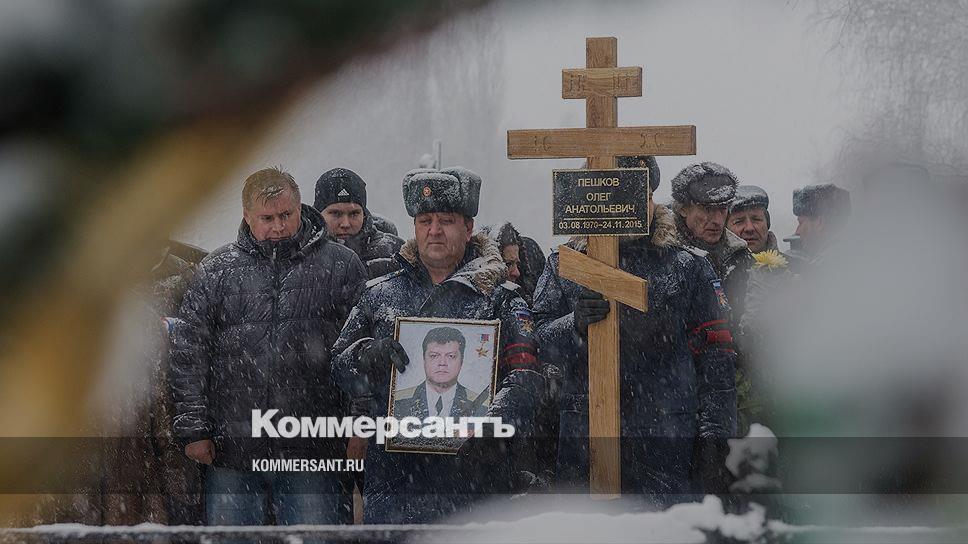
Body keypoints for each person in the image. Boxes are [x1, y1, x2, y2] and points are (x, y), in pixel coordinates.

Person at [332, 166, 547, 524]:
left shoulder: (501, 299)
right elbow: (338, 365)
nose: (433, 230)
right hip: (395, 482)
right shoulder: (380, 294)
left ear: (468, 227)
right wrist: (367, 355)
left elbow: (526, 376)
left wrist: (494, 427)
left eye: (446, 220)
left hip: (476, 482)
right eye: (424, 220)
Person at [170, 167, 367, 529]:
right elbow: (189, 352)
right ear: (246, 216)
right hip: (233, 448)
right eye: (267, 218)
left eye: (285, 215)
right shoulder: (217, 270)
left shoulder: (340, 267)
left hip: (314, 449)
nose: (277, 226)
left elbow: (360, 350)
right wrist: (194, 428)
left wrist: (360, 423)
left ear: (300, 208)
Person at [533, 159, 736, 504]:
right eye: (611, 194)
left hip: (666, 441)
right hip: (586, 440)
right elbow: (535, 342)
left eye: (634, 194)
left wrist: (714, 439)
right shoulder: (564, 264)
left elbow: (717, 361)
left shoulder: (686, 265)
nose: (621, 206)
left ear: (651, 198)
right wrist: (574, 324)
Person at [314, 167, 404, 278]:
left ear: (364, 214)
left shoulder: (393, 253)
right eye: (336, 214)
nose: (345, 224)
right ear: (319, 214)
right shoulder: (300, 255)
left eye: (354, 214)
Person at [393, 327, 488, 419]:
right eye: (434, 356)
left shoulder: (482, 405)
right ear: (424, 359)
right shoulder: (397, 402)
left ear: (461, 361)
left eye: (451, 356)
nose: (442, 363)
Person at [791, 183, 851, 267]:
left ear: (820, 222)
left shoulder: (824, 268)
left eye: (801, 223)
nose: (797, 231)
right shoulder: (853, 253)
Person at [727, 185, 781, 255]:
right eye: (739, 221)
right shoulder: (713, 266)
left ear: (767, 222)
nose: (749, 228)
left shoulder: (795, 265)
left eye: (756, 219)